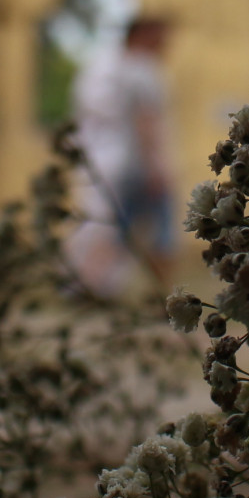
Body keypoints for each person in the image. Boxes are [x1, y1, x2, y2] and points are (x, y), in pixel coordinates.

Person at [69, 15, 176, 294]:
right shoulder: (141, 69)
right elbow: (146, 120)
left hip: (106, 162)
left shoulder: (102, 67)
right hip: (134, 165)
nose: (166, 45)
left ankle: (89, 283)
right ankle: (164, 294)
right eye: (160, 37)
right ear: (141, 36)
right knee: (159, 233)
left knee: (109, 227)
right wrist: (156, 166)